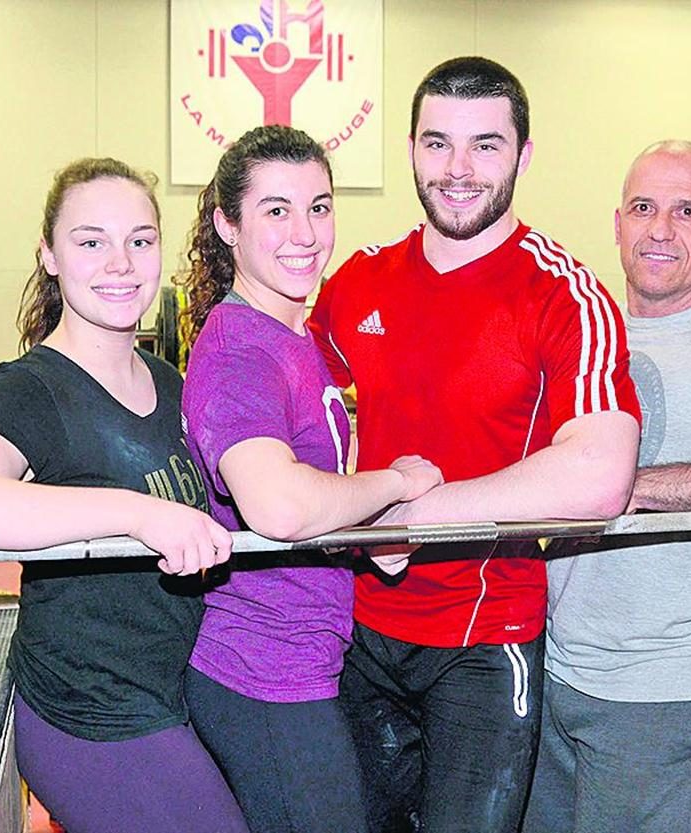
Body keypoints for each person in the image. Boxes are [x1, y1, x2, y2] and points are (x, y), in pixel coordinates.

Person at [309, 57, 641, 833]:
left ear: (524, 155)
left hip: (483, 641)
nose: (457, 170)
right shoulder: (355, 282)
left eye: (485, 146)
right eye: (437, 144)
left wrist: (407, 512)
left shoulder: (565, 292)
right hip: (353, 629)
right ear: (411, 150)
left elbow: (600, 475)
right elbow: (294, 418)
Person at [177, 125, 443, 833]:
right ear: (227, 224)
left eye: (319, 207)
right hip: (259, 672)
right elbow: (280, 504)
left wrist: (361, 534)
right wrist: (393, 482)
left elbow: (312, 497)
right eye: (275, 210)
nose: (304, 233)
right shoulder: (239, 351)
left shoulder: (293, 338)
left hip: (306, 661)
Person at [525, 141, 691, 833]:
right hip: (549, 669)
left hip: (661, 692)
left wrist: (630, 484)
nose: (661, 229)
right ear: (617, 223)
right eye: (644, 207)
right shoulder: (582, 333)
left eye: (688, 211)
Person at [0, 158, 250, 833]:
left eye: (139, 240)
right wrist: (139, 513)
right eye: (90, 241)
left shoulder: (169, 382)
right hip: (89, 714)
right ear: (48, 254)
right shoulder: (30, 388)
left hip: (173, 694)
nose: (121, 262)